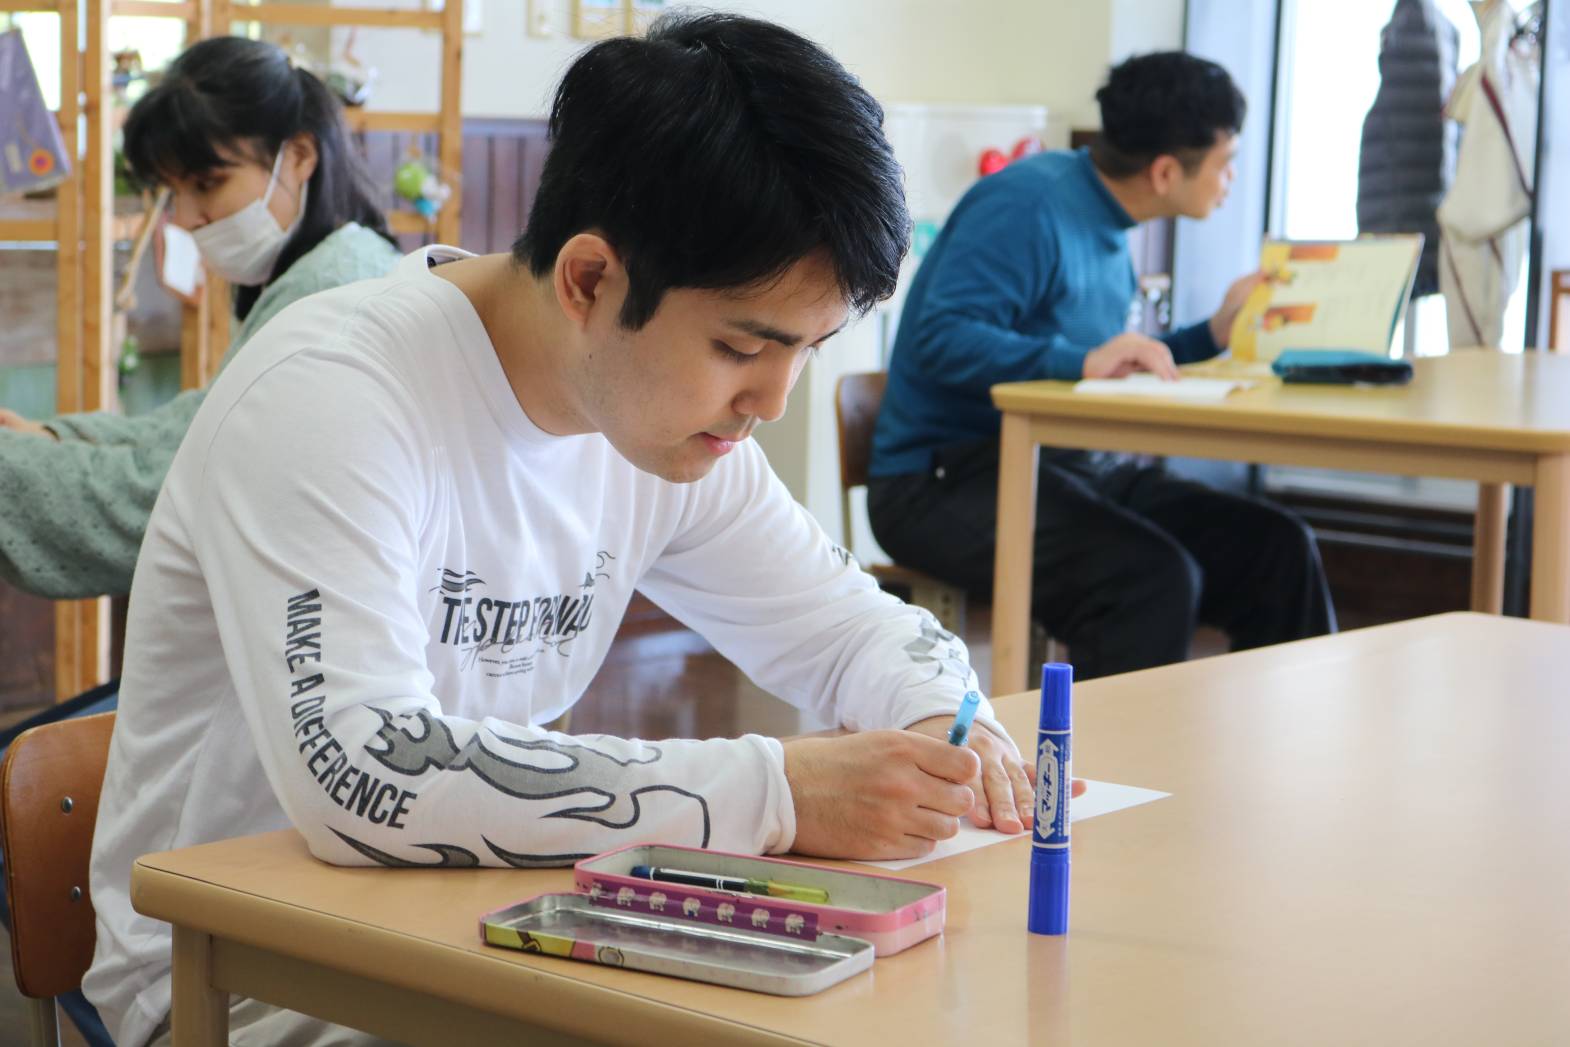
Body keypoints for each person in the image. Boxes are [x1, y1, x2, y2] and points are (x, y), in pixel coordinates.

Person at [84, 15, 1056, 1047]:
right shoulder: (329, 396)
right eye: (743, 348)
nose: (772, 401)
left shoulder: (657, 422)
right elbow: (364, 774)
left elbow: (851, 624)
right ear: (590, 279)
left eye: (808, 350)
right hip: (237, 977)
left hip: (476, 927)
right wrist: (775, 791)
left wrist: (947, 723)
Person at [867, 51, 1336, 681]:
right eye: (1225, 162)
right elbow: (940, 339)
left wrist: (1212, 335)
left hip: (1061, 465)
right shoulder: (1027, 204)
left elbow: (1109, 365)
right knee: (1149, 581)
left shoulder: (1107, 217)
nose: (1230, 179)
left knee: (1276, 549)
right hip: (942, 480)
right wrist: (1084, 359)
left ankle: (1275, 740)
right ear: (1166, 172)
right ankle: (1106, 749)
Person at [0, 36, 401, 600]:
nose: (186, 217)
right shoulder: (333, 265)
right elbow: (204, 422)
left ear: (299, 157)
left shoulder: (330, 296)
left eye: (207, 184)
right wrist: (56, 438)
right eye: (174, 192)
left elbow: (188, 492)